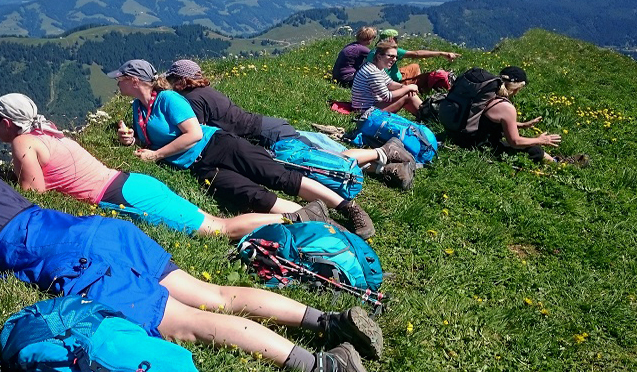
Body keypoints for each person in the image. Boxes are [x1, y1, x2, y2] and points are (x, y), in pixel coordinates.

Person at [0, 122, 383, 372]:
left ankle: (323, 366)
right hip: (97, 231)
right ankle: (331, 323)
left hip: (71, 258)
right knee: (213, 293)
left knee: (189, 323)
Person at [0, 92, 325, 240]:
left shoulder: (22, 142)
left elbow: (35, 193)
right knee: (215, 224)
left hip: (123, 195)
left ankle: (296, 219)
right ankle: (299, 216)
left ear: (8, 122)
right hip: (130, 182)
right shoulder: (47, 131)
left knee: (217, 229)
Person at [110, 59, 376, 239]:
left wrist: (156, 155)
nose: (117, 83)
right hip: (199, 166)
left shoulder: (168, 98)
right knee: (253, 197)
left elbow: (194, 133)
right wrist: (131, 139)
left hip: (220, 145)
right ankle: (321, 223)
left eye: (120, 79)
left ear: (135, 80)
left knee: (277, 176)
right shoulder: (137, 108)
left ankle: (347, 207)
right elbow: (150, 140)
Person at [165, 57, 418, 200]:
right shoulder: (205, 90)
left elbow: (199, 135)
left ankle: (381, 152)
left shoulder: (191, 99)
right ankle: (388, 167)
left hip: (268, 137)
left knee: (323, 162)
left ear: (178, 80)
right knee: (321, 161)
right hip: (270, 127)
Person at [450, 66, 565, 163]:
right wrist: (541, 140)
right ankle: (557, 163)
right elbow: (515, 142)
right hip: (480, 147)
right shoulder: (506, 107)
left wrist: (521, 125)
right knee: (534, 149)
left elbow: (489, 119)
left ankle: (555, 161)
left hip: (461, 136)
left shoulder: (487, 93)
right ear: (517, 88)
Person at [368, 29, 460, 93]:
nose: (397, 41)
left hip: (383, 82)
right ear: (391, 39)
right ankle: (417, 88)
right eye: (395, 38)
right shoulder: (390, 50)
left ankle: (417, 87)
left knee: (414, 66)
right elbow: (416, 54)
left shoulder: (375, 51)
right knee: (429, 77)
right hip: (392, 84)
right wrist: (441, 53)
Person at [352, 41, 424, 118]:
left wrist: (404, 87)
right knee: (408, 95)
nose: (394, 59)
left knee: (408, 92)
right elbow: (387, 96)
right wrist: (408, 88)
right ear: (379, 57)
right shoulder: (373, 72)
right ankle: (428, 115)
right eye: (391, 56)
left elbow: (389, 83)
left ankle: (425, 114)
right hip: (366, 111)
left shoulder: (376, 67)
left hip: (368, 106)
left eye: (396, 57)